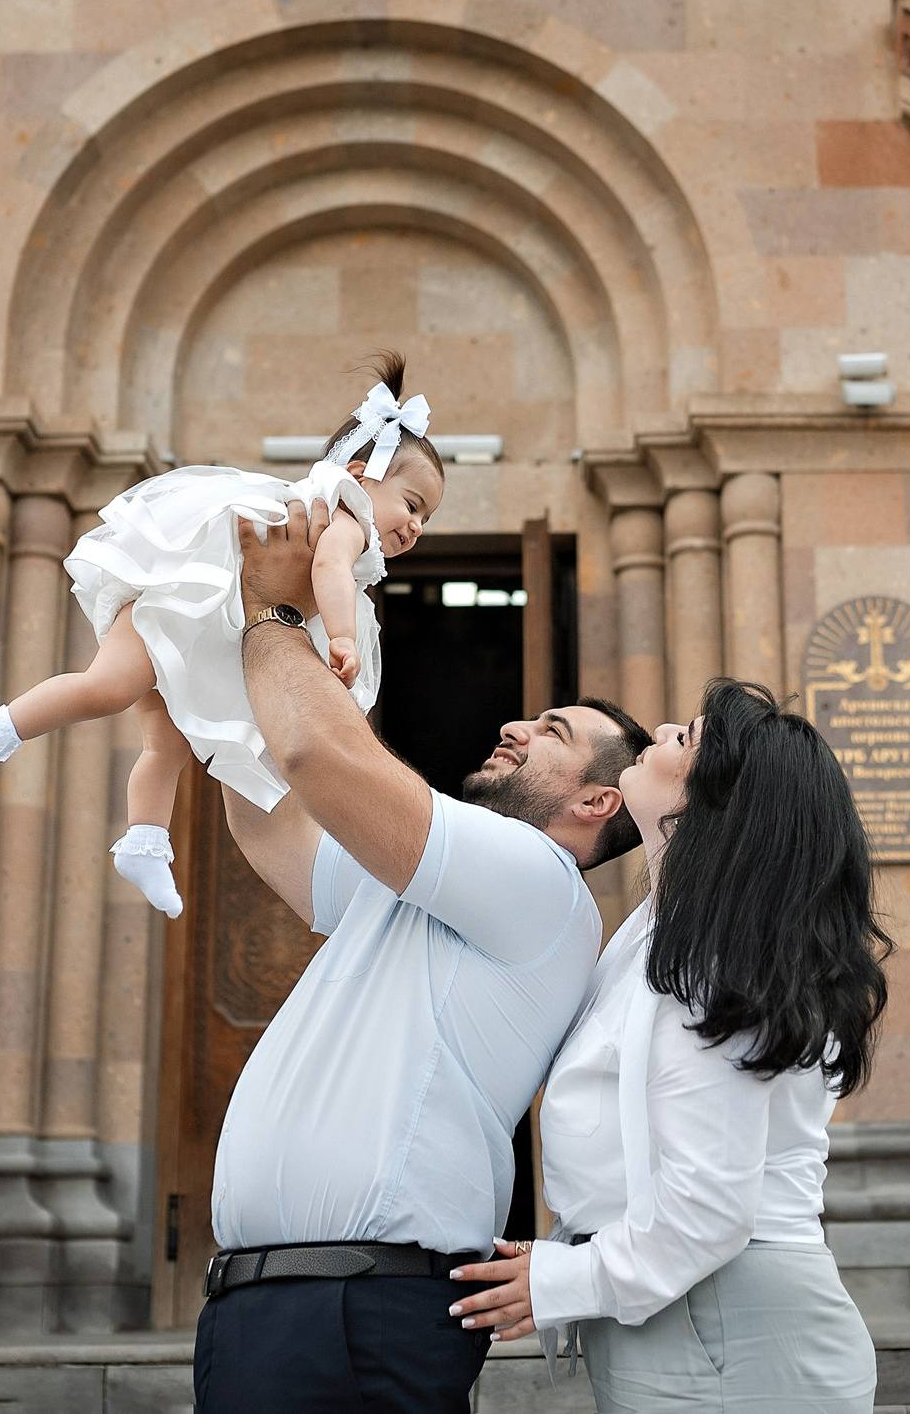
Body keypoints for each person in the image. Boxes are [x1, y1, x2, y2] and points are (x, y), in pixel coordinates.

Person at [189, 489, 655, 1414]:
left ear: (597, 803)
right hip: (266, 1307)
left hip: (361, 1311)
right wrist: (205, 647)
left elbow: (318, 756)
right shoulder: (416, 888)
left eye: (553, 732)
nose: (517, 726)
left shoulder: (539, 881)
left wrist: (276, 610)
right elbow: (267, 819)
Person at [445, 678, 891, 1413]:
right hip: (685, 1301)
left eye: (684, 737)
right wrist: (574, 1249)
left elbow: (709, 1209)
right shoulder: (660, 934)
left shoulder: (711, 963)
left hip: (727, 1320)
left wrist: (562, 1279)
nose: (656, 730)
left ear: (714, 802)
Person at [0, 351, 443, 918]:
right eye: (412, 505)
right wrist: (342, 637)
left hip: (202, 629)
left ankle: (145, 842)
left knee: (165, 744)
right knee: (108, 687)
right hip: (180, 603)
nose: (416, 526)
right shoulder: (347, 517)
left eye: (426, 518)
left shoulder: (337, 515)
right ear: (362, 472)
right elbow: (328, 568)